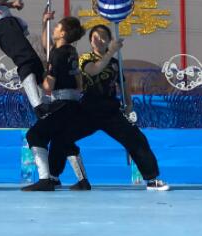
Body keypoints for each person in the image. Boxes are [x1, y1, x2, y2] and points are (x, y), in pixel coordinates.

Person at [49, 24, 169, 191]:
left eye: (103, 37)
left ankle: (152, 179)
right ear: (91, 41)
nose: (99, 40)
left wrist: (129, 104)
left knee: (137, 139)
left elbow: (123, 85)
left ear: (109, 40)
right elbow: (93, 71)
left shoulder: (115, 63)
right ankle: (53, 177)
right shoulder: (85, 59)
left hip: (110, 111)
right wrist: (111, 51)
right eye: (95, 37)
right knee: (61, 136)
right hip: (88, 110)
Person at [21, 12, 86, 191]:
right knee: (63, 139)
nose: (54, 28)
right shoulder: (71, 51)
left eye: (56, 26)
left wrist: (36, 83)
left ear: (63, 33)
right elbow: (48, 48)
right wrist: (44, 24)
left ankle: (45, 180)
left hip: (62, 103)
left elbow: (48, 85)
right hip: (73, 103)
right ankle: (82, 180)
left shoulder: (58, 55)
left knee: (35, 135)